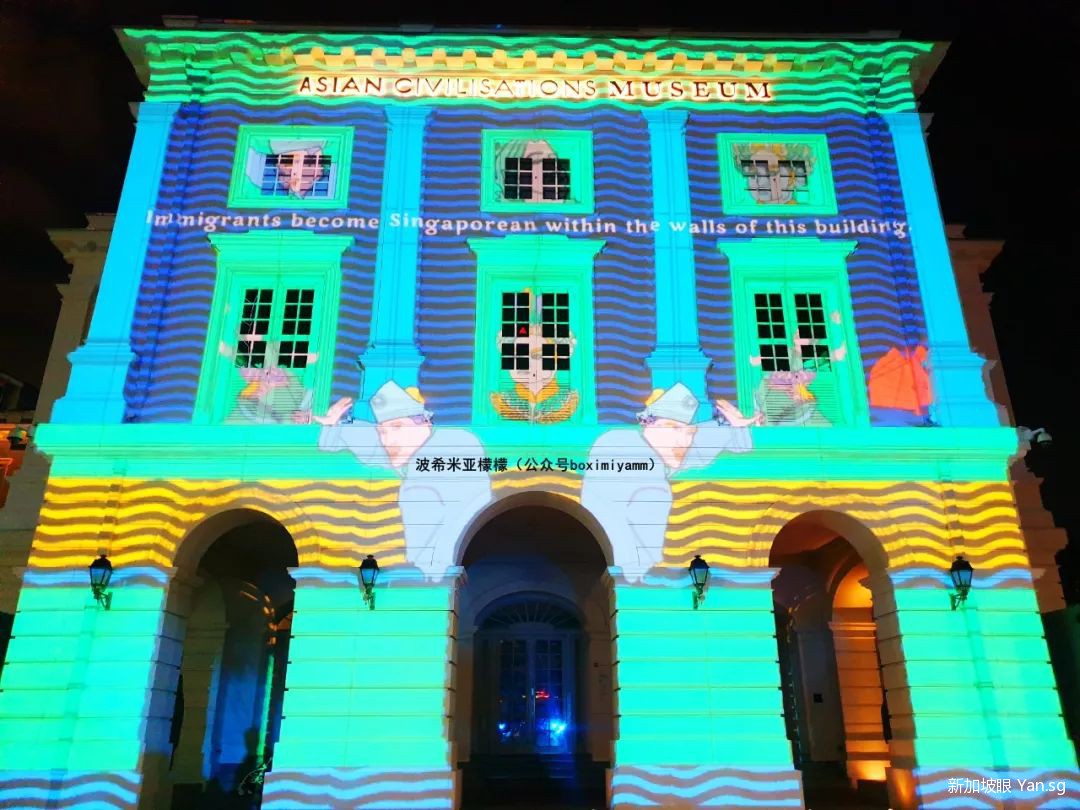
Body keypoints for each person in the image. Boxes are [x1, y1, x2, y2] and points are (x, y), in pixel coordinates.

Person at [581, 383, 758, 578]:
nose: (683, 441)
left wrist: (728, 424)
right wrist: (630, 570)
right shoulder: (620, 447)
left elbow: (699, 445)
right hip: (628, 573)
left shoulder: (658, 450)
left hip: (634, 574)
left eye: (689, 433)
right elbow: (606, 513)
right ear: (649, 423)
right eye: (673, 428)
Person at [315, 381, 492, 577]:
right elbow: (368, 441)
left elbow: (464, 514)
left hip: (440, 571)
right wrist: (334, 424)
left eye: (397, 427)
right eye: (383, 432)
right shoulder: (408, 449)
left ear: (424, 423)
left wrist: (436, 572)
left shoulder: (456, 445)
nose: (388, 440)